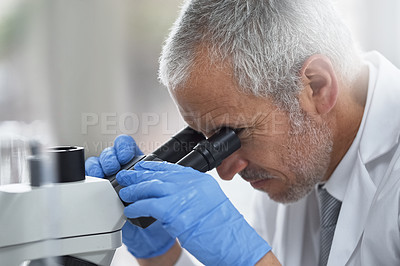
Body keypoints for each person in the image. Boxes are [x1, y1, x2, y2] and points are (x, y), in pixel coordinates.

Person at [85, 0, 400, 265]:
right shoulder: (295, 165)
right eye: (205, 139)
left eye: (232, 134)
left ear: (316, 86)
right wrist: (162, 254)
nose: (225, 170)